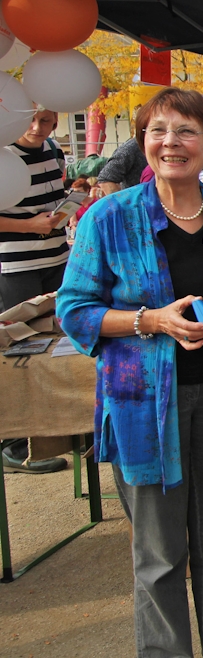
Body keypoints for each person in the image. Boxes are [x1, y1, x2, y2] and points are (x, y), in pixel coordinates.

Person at [57, 87, 203, 658]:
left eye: (185, 131)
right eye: (158, 131)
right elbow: (74, 309)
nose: (170, 143)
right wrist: (149, 320)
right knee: (158, 553)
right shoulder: (109, 217)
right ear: (143, 142)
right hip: (139, 408)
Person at [0, 106, 71, 474]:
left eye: (45, 120)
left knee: (59, 343)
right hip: (14, 264)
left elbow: (51, 200)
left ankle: (56, 429)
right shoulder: (3, 153)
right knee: (17, 349)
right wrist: (30, 227)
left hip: (54, 258)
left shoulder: (54, 150)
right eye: (31, 119)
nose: (37, 127)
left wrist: (64, 210)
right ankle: (13, 443)